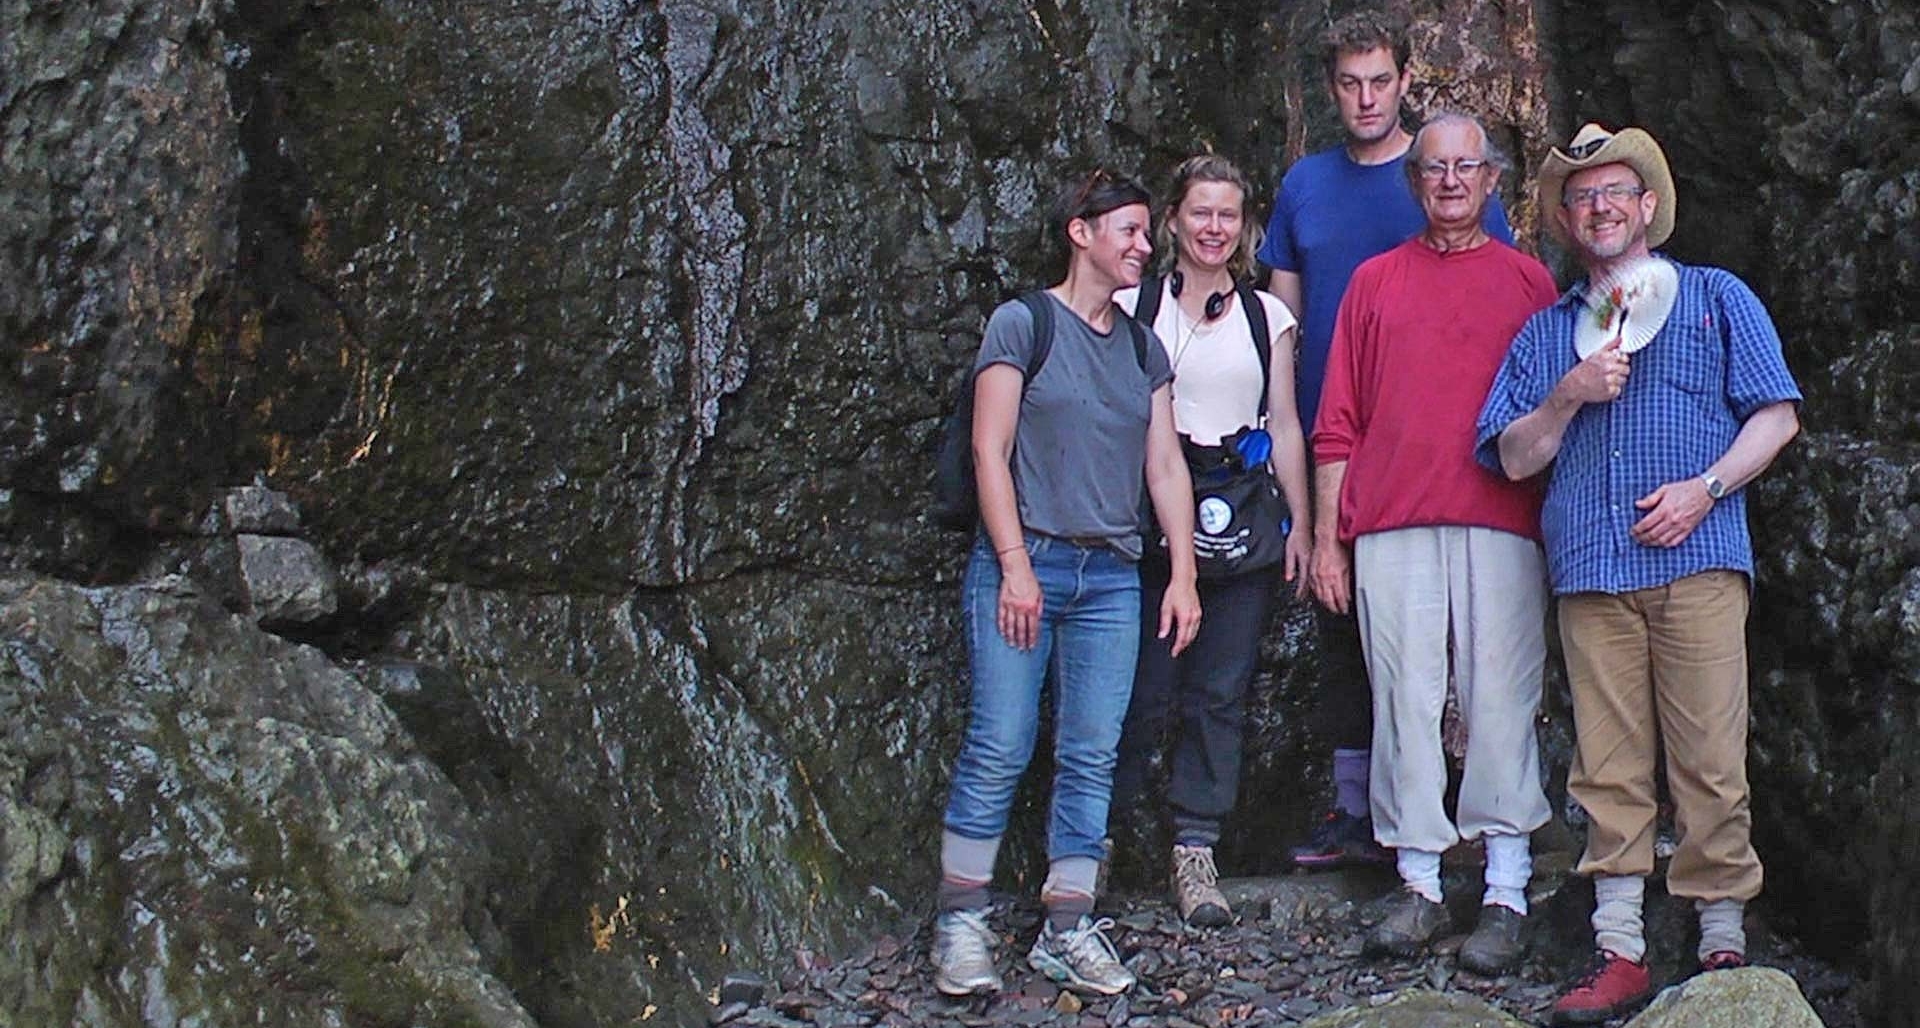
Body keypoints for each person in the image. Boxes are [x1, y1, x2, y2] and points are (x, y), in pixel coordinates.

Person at [1475, 123, 1802, 1023]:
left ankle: (1721, 940)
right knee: (1607, 766)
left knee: (1710, 755)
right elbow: (1509, 456)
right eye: (1583, 197)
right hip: (1590, 570)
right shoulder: (1547, 334)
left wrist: (1705, 490)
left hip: (1698, 557)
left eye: (1617, 191)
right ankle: (1618, 951)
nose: (1601, 207)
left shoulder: (1714, 297)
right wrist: (1568, 393)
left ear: (1648, 205)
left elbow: (1776, 419)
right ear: (1570, 221)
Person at [932, 170, 1204, 999]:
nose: (1142, 246)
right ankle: (961, 922)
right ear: (1078, 233)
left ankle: (1067, 924)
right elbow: (989, 449)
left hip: (1112, 577)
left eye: (1145, 234)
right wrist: (1014, 565)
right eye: (1126, 231)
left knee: (1091, 752)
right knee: (1002, 742)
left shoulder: (1140, 347)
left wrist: (1184, 573)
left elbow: (1164, 465)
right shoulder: (1024, 323)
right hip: (1029, 560)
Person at [1259, 9, 1515, 869]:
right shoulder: (1304, 185)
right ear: (1329, 92)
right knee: (1350, 634)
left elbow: (1502, 317)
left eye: (1380, 81)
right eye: (1349, 83)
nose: (1366, 98)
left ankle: (1473, 831)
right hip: (1337, 435)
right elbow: (1281, 321)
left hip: (1445, 450)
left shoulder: (1454, 183)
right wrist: (1286, 431)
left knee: (1469, 648)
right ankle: (1357, 815)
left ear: (1406, 81)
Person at [1308, 112, 1558, 973]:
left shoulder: (1531, 285)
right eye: (1434, 169)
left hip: (1502, 520)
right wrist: (1329, 541)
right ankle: (1417, 882)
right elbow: (1336, 421)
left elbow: (1559, 421)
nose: (1451, 181)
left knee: (1500, 697)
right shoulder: (1373, 284)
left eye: (1467, 168)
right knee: (1403, 701)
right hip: (1389, 520)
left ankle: (1506, 889)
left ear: (1492, 180)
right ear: (1414, 183)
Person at [1110, 154, 1313, 927]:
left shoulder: (1269, 317)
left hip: (1240, 521)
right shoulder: (1135, 306)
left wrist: (1300, 523)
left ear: (1246, 226)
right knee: (1137, 690)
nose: (1214, 228)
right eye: (1200, 213)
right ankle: (1097, 842)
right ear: (1172, 221)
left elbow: (1285, 422)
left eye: (1228, 215)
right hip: (1145, 527)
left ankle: (1196, 849)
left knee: (1220, 694)